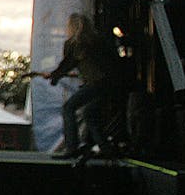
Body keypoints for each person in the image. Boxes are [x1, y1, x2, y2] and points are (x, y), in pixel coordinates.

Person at [36, 13, 122, 158]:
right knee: (90, 114)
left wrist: (54, 76)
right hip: (110, 84)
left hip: (96, 83)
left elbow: (68, 64)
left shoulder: (75, 44)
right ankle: (105, 148)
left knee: (68, 108)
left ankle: (71, 147)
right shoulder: (97, 41)